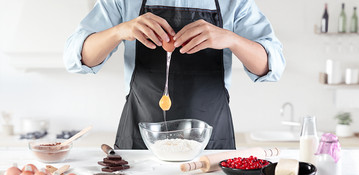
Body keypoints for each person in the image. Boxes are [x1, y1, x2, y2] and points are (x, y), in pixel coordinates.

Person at [64, 0, 285, 150]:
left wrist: (231, 39)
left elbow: (271, 66)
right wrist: (120, 30)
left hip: (210, 143)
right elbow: (77, 58)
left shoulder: (234, 2)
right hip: (141, 142)